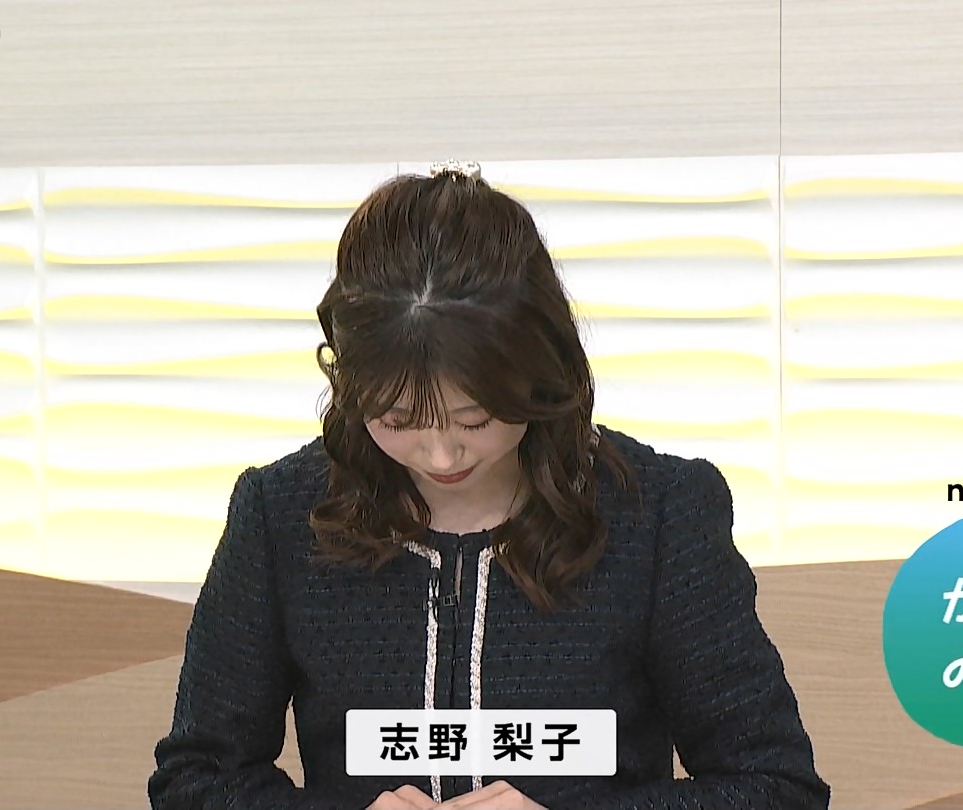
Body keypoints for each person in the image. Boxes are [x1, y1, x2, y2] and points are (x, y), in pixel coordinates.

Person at [148, 160, 830, 809]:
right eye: (397, 420)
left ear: (539, 371)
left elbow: (776, 787)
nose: (441, 454)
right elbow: (194, 781)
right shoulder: (280, 516)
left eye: (475, 419)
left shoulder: (659, 514)